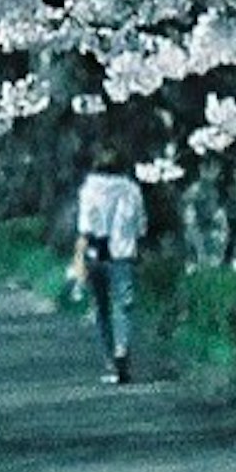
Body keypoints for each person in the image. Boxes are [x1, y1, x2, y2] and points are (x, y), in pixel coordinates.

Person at [73, 159, 143, 381]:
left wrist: (78, 260)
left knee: (102, 308)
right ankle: (122, 348)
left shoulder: (89, 189)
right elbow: (140, 225)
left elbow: (85, 227)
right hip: (123, 253)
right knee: (123, 305)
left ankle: (111, 360)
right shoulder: (131, 189)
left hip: (97, 253)